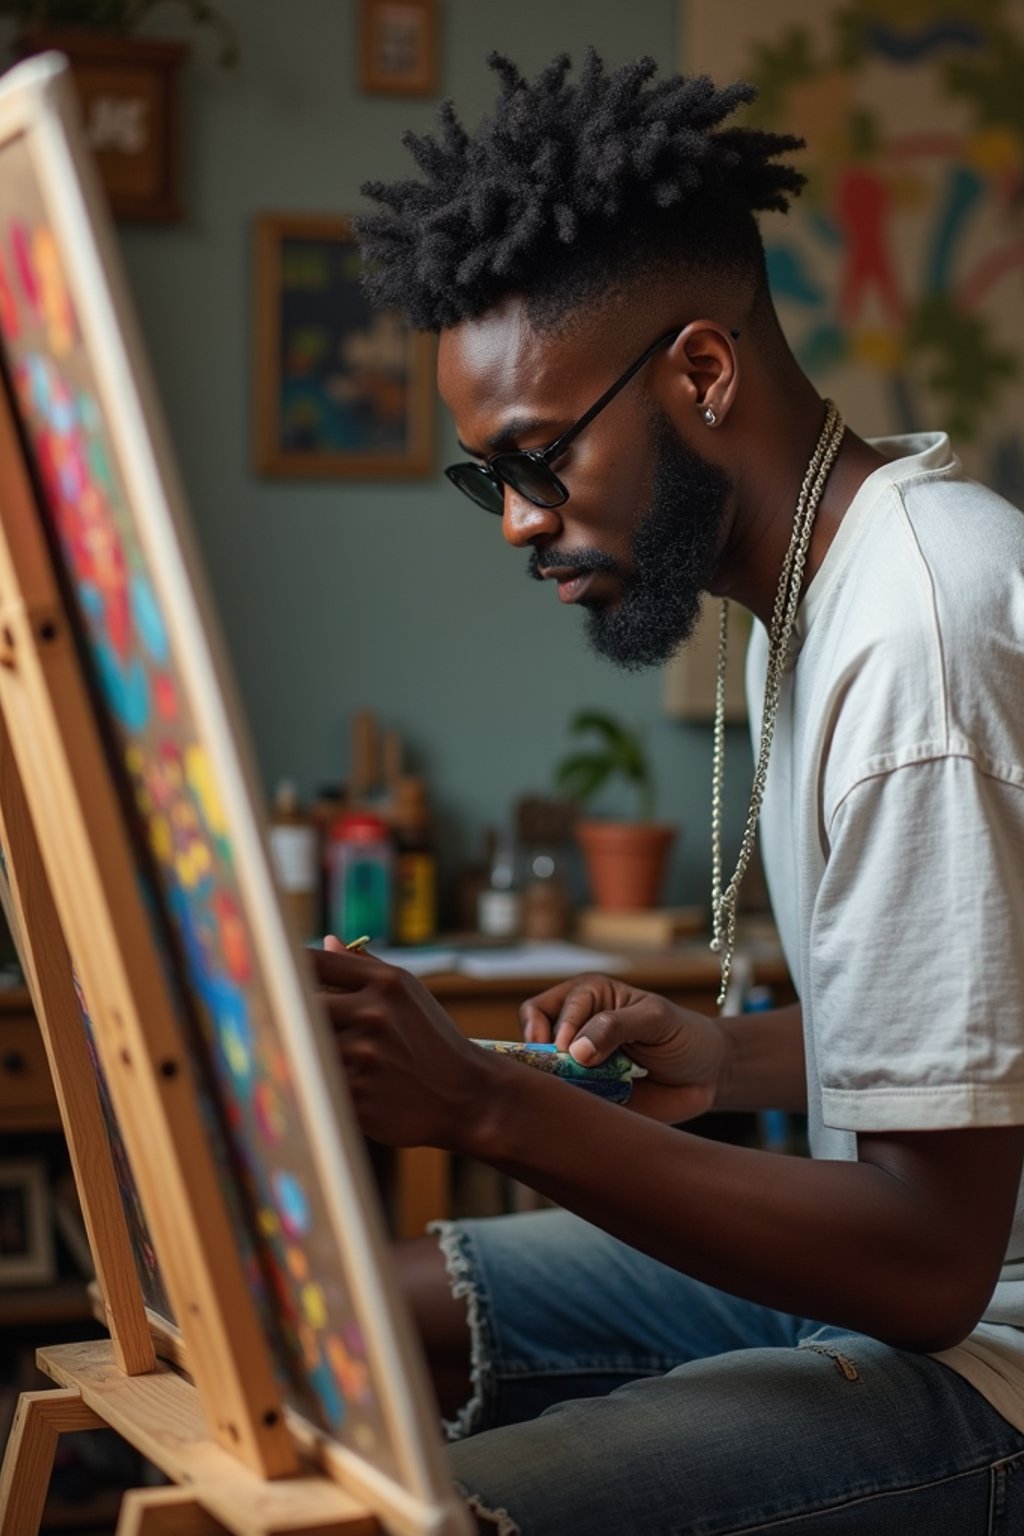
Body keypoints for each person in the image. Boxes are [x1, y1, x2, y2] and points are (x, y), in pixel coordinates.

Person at [314, 49, 1024, 1534]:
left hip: (987, 1351)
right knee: (344, 1296)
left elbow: (926, 1260)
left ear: (703, 371)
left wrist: (489, 1106)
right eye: (486, 480)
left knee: (435, 1518)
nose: (516, 524)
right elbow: (967, 1043)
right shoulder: (834, 591)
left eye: (537, 460)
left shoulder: (920, 636)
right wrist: (727, 1060)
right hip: (935, 1285)